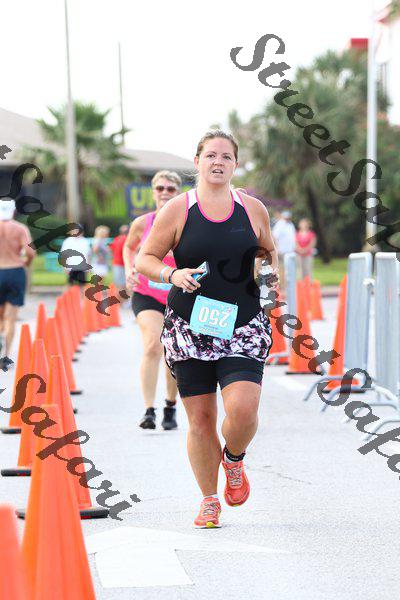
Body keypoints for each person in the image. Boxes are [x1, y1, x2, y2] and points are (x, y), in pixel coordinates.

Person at [136, 130, 279, 528]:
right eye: (211, 155)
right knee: (200, 420)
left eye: (226, 156)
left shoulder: (252, 209)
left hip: (242, 324)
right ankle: (209, 499)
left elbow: (268, 251)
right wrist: (172, 274)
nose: (218, 162)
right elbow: (145, 258)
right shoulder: (178, 209)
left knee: (243, 410)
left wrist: (271, 285)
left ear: (236, 164)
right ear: (197, 161)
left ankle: (233, 459)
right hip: (190, 327)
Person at [123, 170, 182, 431]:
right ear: (153, 192)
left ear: (177, 193)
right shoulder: (142, 223)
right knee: (152, 345)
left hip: (179, 296)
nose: (165, 193)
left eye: (170, 189)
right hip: (146, 294)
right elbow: (129, 246)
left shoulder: (186, 222)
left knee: (173, 351)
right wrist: (129, 268)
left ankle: (170, 405)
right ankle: (149, 410)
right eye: (160, 188)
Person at [0, 199, 36, 370]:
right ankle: (5, 356)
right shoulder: (20, 228)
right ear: (13, 211)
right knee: (10, 317)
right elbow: (30, 251)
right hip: (15, 270)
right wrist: (26, 263)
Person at [272, 210, 296, 289]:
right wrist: (277, 247)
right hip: (282, 251)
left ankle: (288, 286)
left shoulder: (291, 224)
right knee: (282, 269)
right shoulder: (280, 224)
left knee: (289, 269)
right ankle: (282, 286)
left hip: (290, 251)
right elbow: (274, 236)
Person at [110, 224, 129, 294]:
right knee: (124, 285)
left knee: (118, 285)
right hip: (123, 264)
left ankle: (120, 300)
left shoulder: (116, 239)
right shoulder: (127, 239)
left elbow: (111, 250)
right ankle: (125, 300)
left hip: (116, 264)